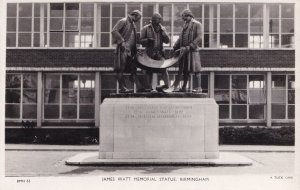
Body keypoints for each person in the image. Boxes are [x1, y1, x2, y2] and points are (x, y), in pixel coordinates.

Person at [164, 9, 202, 93]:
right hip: (184, 52)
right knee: (185, 70)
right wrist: (174, 47)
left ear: (188, 15)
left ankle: (199, 88)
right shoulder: (185, 25)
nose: (183, 19)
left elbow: (199, 37)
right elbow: (180, 37)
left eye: (184, 17)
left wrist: (190, 46)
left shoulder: (197, 24)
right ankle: (184, 87)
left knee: (196, 70)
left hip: (193, 51)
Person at [111, 10, 142, 93]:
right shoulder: (123, 21)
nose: (139, 20)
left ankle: (139, 87)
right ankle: (122, 87)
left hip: (130, 51)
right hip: (123, 49)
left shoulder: (133, 25)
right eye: (138, 18)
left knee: (133, 68)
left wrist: (136, 49)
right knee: (120, 68)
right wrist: (122, 41)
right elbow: (114, 31)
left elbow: (133, 39)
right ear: (135, 15)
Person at [140, 13, 170, 92]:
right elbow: (140, 41)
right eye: (158, 19)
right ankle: (149, 88)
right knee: (148, 70)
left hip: (159, 52)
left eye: (160, 19)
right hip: (149, 52)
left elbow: (167, 41)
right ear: (153, 20)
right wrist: (148, 40)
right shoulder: (146, 28)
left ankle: (167, 87)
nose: (160, 21)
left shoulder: (162, 28)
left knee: (164, 69)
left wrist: (165, 35)